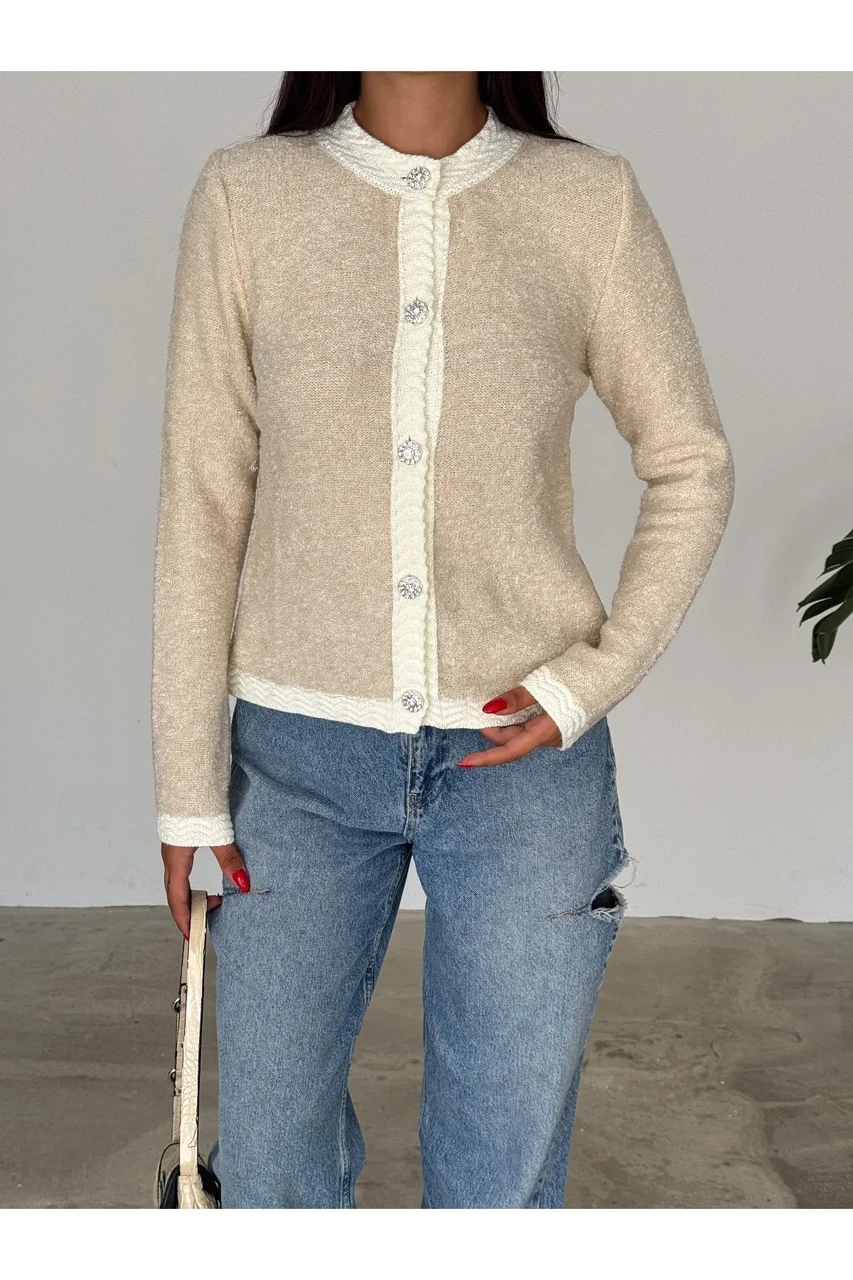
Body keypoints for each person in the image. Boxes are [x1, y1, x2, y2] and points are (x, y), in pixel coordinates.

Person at [152, 71, 734, 1209]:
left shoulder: (588, 202)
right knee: (269, 1169)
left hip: (526, 770)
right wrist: (187, 788)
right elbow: (202, 501)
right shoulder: (247, 196)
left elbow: (691, 464)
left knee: (497, 1183)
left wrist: (589, 679)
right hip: (294, 761)